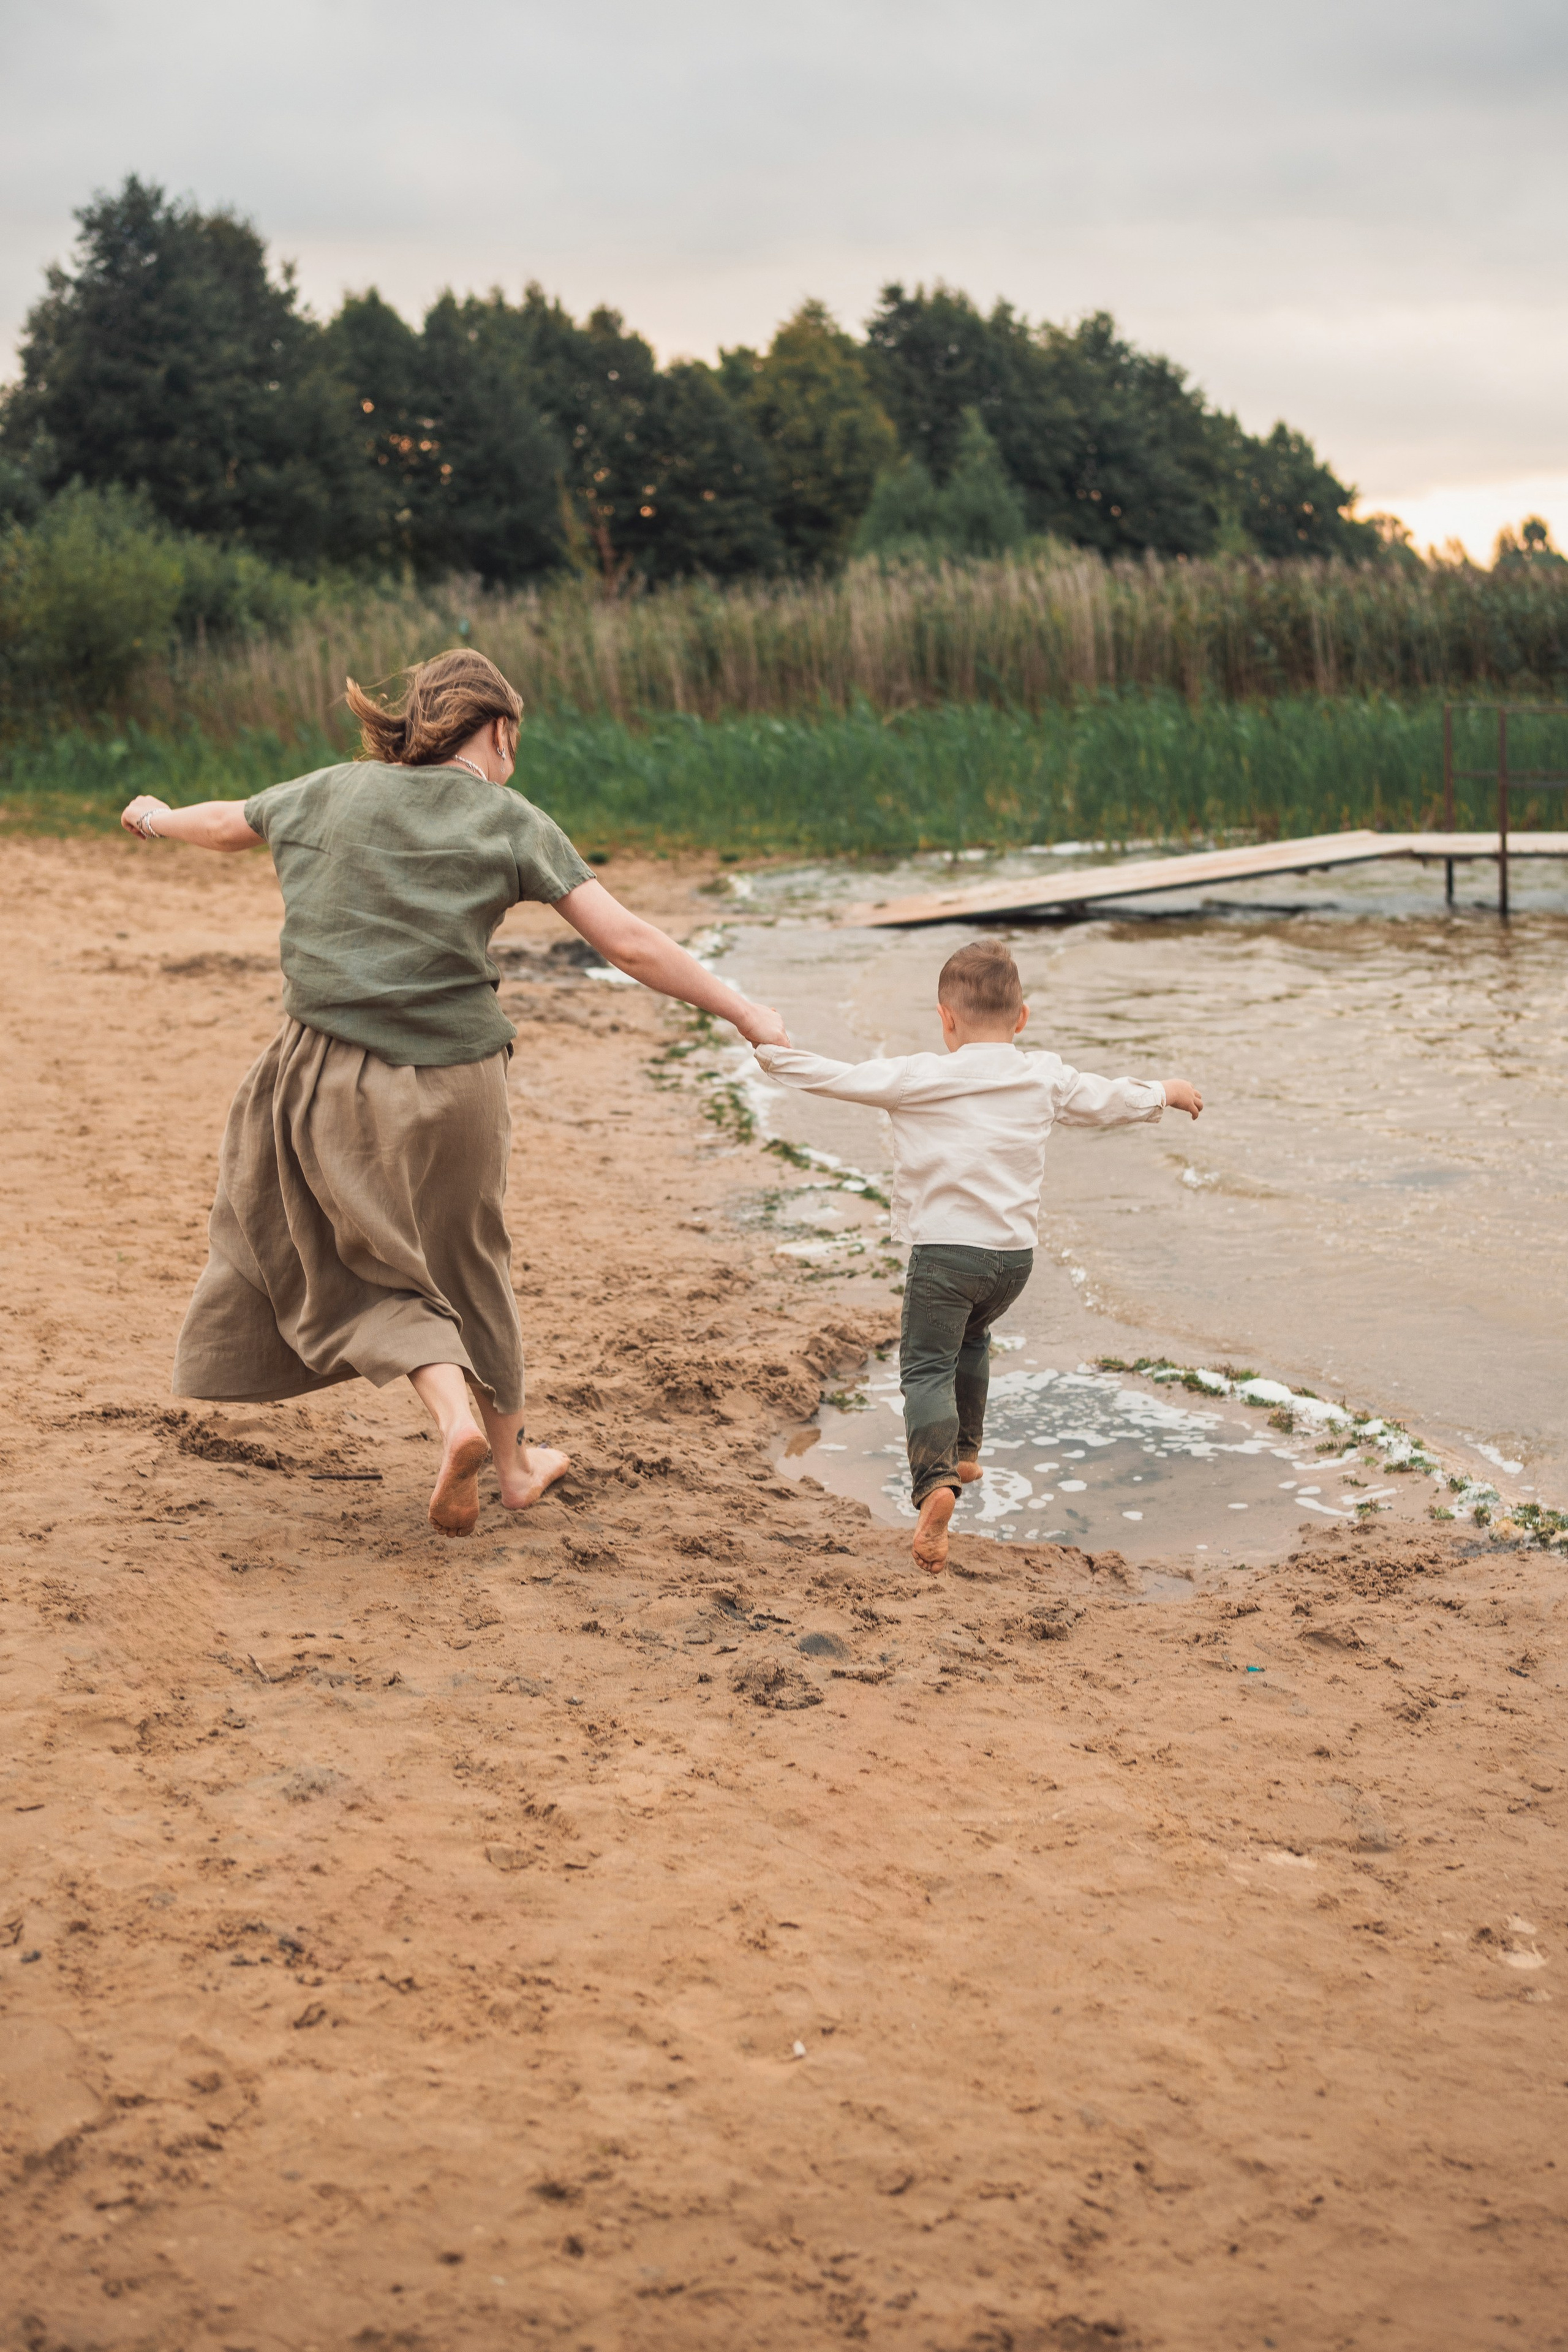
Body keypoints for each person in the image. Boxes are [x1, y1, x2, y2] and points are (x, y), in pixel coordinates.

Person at [120, 647, 787, 1538]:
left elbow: (226, 824)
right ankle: (513, 1468)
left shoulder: (332, 789)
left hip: (331, 1070)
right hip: (461, 1085)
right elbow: (626, 944)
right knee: (472, 1261)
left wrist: (157, 817)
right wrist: (745, 1012)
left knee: (346, 1254)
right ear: (500, 730)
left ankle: (454, 1422)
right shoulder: (511, 819)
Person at [753, 939, 1200, 1571]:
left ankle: (936, 1483)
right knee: (974, 1339)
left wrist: (768, 1049)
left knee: (926, 1366)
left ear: (945, 1019)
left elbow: (834, 1076)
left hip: (944, 1257)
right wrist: (1166, 1091)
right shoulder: (1043, 1074)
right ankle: (966, 1449)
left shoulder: (920, 1076)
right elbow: (1107, 1100)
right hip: (1012, 1262)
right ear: (1021, 1019)